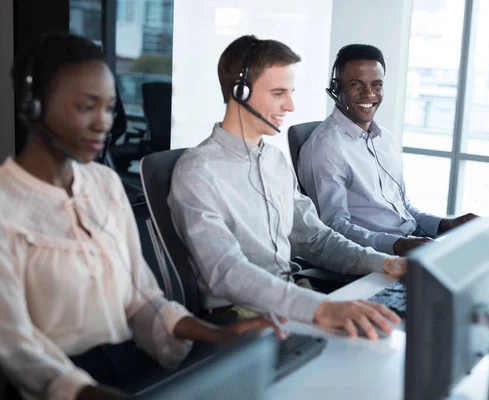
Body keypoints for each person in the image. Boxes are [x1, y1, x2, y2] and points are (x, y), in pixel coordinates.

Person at [0, 32, 282, 400]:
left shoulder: (104, 184)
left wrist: (216, 335)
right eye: (87, 107)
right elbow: (16, 345)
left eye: (109, 107)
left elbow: (141, 297)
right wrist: (85, 392)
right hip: (64, 386)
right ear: (33, 105)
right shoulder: (8, 205)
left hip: (132, 367)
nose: (104, 123)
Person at [169, 35, 407, 343]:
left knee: (386, 339)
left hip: (294, 298)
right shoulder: (199, 171)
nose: (291, 106)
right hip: (242, 318)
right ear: (240, 92)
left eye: (290, 92)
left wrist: (385, 262)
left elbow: (316, 238)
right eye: (278, 93)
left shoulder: (274, 160)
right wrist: (321, 307)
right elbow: (227, 272)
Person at [297, 44, 477, 256]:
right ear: (336, 88)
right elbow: (333, 228)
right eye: (356, 84)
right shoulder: (325, 149)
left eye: (377, 84)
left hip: (407, 244)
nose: (369, 94)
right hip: (373, 258)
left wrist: (446, 225)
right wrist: (397, 244)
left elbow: (403, 210)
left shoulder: (385, 139)